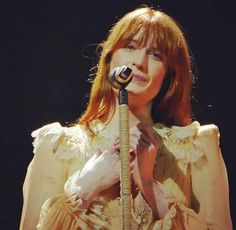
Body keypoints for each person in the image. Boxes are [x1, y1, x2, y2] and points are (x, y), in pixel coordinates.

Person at [20, 6, 232, 230]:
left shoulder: (196, 148)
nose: (140, 62)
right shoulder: (56, 147)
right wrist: (85, 186)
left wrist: (150, 186)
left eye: (156, 54)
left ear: (169, 76)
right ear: (109, 58)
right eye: (130, 46)